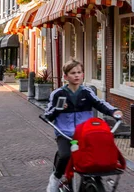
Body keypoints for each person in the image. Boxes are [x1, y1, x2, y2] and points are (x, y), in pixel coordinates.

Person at [43, 61, 123, 192]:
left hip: (85, 134)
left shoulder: (87, 92)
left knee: (98, 156)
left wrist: (114, 111)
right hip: (65, 133)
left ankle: (92, 183)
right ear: (65, 77)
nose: (76, 76)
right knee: (65, 156)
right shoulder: (57, 94)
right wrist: (58, 109)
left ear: (83, 75)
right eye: (73, 73)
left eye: (79, 73)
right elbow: (48, 115)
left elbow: (100, 103)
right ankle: (55, 179)